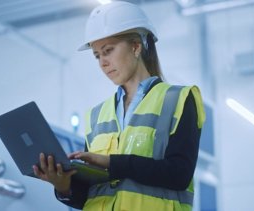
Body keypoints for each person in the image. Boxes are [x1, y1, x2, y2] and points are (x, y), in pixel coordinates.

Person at [33, 1, 206, 211]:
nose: (102, 63)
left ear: (136, 46)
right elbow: (89, 195)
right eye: (97, 55)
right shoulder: (96, 116)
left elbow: (179, 174)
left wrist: (111, 163)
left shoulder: (177, 99)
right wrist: (63, 186)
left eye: (108, 51)